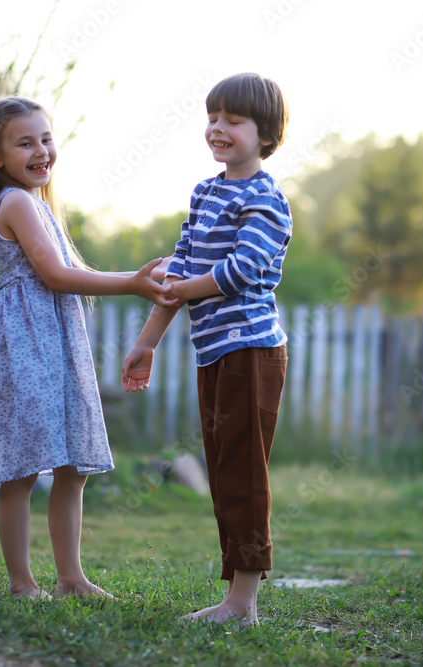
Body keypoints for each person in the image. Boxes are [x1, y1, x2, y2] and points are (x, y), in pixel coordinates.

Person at [0, 96, 176, 599]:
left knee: (73, 467)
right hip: (24, 349)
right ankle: (21, 582)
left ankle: (71, 578)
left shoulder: (34, 203)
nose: (41, 151)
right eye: (25, 142)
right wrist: (133, 282)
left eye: (46, 139)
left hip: (53, 346)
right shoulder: (14, 202)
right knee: (21, 469)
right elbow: (55, 276)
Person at [121, 73, 291, 626]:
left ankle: (242, 604)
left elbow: (240, 272)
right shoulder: (205, 192)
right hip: (214, 353)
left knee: (242, 471)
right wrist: (147, 342)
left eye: (233, 120)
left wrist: (182, 285)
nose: (218, 128)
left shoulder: (267, 199)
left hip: (251, 353)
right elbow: (179, 268)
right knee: (222, 470)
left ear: (266, 135)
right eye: (213, 116)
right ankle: (235, 599)